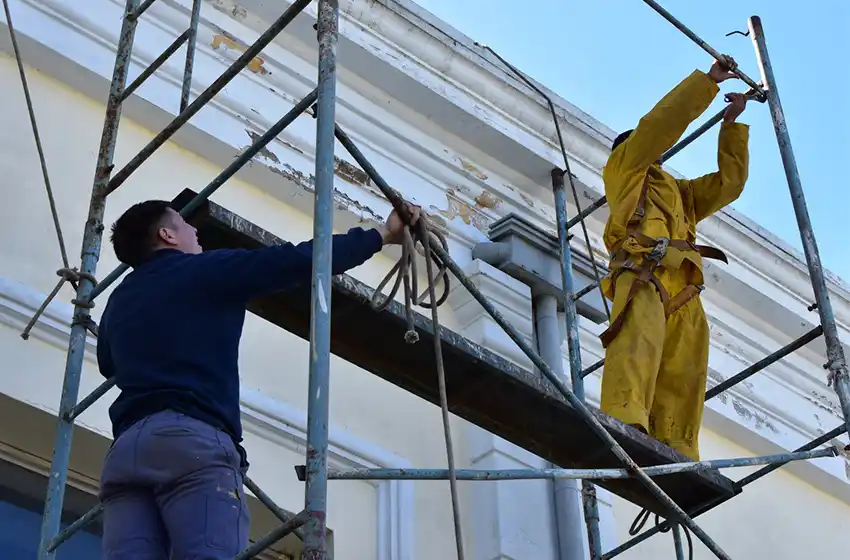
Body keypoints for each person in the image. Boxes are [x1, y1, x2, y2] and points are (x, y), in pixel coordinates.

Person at [96, 198, 420, 558]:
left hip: (127, 451)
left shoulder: (117, 302)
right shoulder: (206, 269)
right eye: (184, 224)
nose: (195, 230)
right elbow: (299, 260)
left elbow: (108, 363)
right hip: (190, 441)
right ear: (167, 235)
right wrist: (382, 234)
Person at [598, 56, 750, 461]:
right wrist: (708, 83)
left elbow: (729, 184)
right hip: (643, 270)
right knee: (637, 345)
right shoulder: (625, 168)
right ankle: (625, 417)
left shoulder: (681, 193)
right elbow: (659, 125)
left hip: (684, 285)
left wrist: (731, 127)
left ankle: (677, 446)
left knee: (686, 368)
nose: (657, 154)